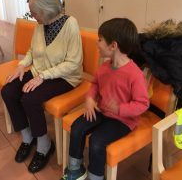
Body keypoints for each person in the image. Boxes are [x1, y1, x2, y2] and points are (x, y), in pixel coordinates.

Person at [1, 0, 83, 173]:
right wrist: (22, 65)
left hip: (65, 77)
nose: (32, 16)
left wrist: (43, 77)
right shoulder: (40, 25)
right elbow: (32, 51)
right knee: (8, 90)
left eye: (34, 12)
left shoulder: (71, 24)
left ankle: (45, 146)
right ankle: (28, 137)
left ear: (46, 10)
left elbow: (73, 62)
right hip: (41, 72)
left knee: (30, 98)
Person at [61, 18, 150, 180]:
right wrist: (89, 99)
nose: (97, 43)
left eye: (100, 40)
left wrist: (119, 109)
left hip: (123, 120)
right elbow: (95, 84)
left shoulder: (135, 74)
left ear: (113, 45)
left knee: (96, 141)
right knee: (77, 127)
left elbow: (143, 104)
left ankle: (95, 177)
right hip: (102, 111)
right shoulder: (105, 66)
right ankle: (75, 169)